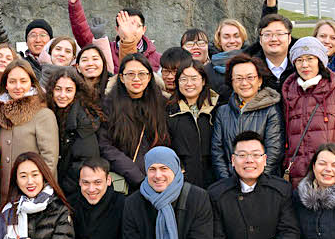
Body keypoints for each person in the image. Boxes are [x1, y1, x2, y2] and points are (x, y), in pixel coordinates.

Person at [280, 36, 335, 185]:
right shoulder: (288, 93)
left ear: (320, 61)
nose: (305, 65)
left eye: (310, 59)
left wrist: (334, 157)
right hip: (300, 177)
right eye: (299, 60)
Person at [63, 0, 155, 70]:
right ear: (117, 29)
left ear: (144, 29)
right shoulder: (106, 50)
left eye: (135, 25)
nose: (130, 30)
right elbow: (82, 34)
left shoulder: (157, 58)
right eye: (125, 25)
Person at [0, 59, 59, 203]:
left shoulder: (43, 115)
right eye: (12, 82)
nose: (18, 86)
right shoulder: (1, 113)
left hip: (34, 195)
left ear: (32, 83)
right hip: (7, 196)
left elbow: (50, 159)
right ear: (6, 84)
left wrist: (39, 195)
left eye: (23, 81)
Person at [210, 54, 284, 179]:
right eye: (238, 78)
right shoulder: (222, 111)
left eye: (250, 77)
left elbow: (274, 151)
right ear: (231, 82)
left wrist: (254, 182)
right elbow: (217, 151)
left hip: (263, 182)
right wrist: (228, 181)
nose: (244, 83)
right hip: (230, 182)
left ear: (259, 80)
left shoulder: (271, 110)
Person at [101, 52, 169, 186]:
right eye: (130, 74)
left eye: (142, 74)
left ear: (149, 77)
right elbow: (105, 146)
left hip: (159, 178)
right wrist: (135, 175)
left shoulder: (162, 104)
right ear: (121, 77)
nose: (136, 79)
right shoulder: (108, 105)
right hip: (124, 177)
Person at [43, 65, 110, 193]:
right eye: (58, 89)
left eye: (68, 90)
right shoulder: (48, 111)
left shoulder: (83, 120)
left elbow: (86, 161)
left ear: (76, 92)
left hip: (71, 189)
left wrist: (62, 188)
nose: (62, 95)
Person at [164, 58, 218, 186]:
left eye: (194, 78)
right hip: (182, 180)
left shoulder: (216, 108)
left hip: (214, 178)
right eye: (183, 79)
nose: (189, 84)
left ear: (203, 81)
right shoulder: (169, 111)